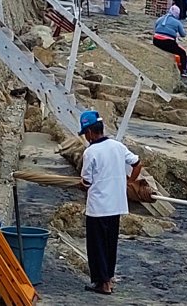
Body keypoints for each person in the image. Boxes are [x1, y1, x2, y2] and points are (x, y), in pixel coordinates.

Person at [79, 110, 142, 296]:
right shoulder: (117, 146)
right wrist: (130, 181)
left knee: (96, 246)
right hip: (116, 205)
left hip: (98, 207)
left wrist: (82, 186)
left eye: (85, 134)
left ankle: (103, 283)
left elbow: (86, 182)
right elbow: (137, 163)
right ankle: (109, 278)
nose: (86, 138)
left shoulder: (90, 152)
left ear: (90, 132)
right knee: (110, 244)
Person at [151, 5, 187, 76]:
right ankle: (184, 71)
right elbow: (183, 34)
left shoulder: (160, 19)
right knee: (182, 53)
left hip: (156, 40)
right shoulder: (177, 22)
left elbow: (156, 28)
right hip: (167, 42)